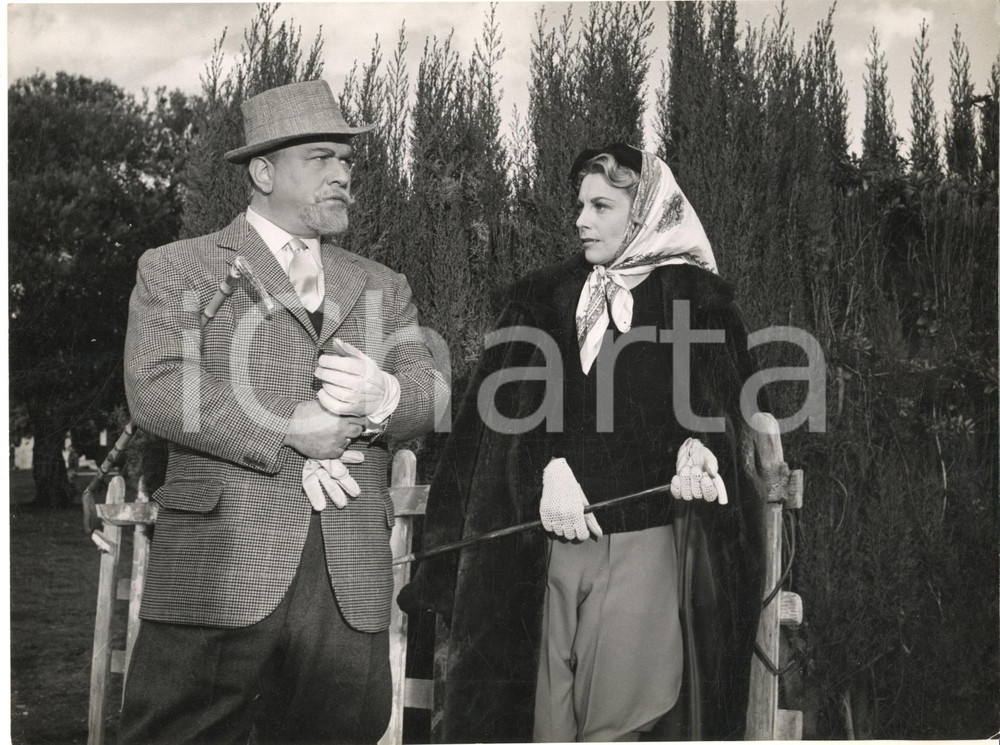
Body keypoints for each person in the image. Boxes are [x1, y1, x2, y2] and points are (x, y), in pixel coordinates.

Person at [398, 143, 766, 742]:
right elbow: (499, 418)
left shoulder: (699, 302)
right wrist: (546, 469)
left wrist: (701, 446)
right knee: (541, 726)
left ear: (644, 212)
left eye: (601, 206)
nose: (581, 220)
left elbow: (730, 414)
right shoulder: (543, 297)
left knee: (618, 725)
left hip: (644, 546)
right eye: (580, 206)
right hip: (548, 547)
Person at [119, 79, 449, 744]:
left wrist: (383, 399)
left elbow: (433, 393)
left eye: (346, 160)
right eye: (321, 158)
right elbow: (155, 386)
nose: (342, 175)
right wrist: (290, 427)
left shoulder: (383, 285)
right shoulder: (179, 267)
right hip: (218, 573)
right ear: (263, 173)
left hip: (348, 583)